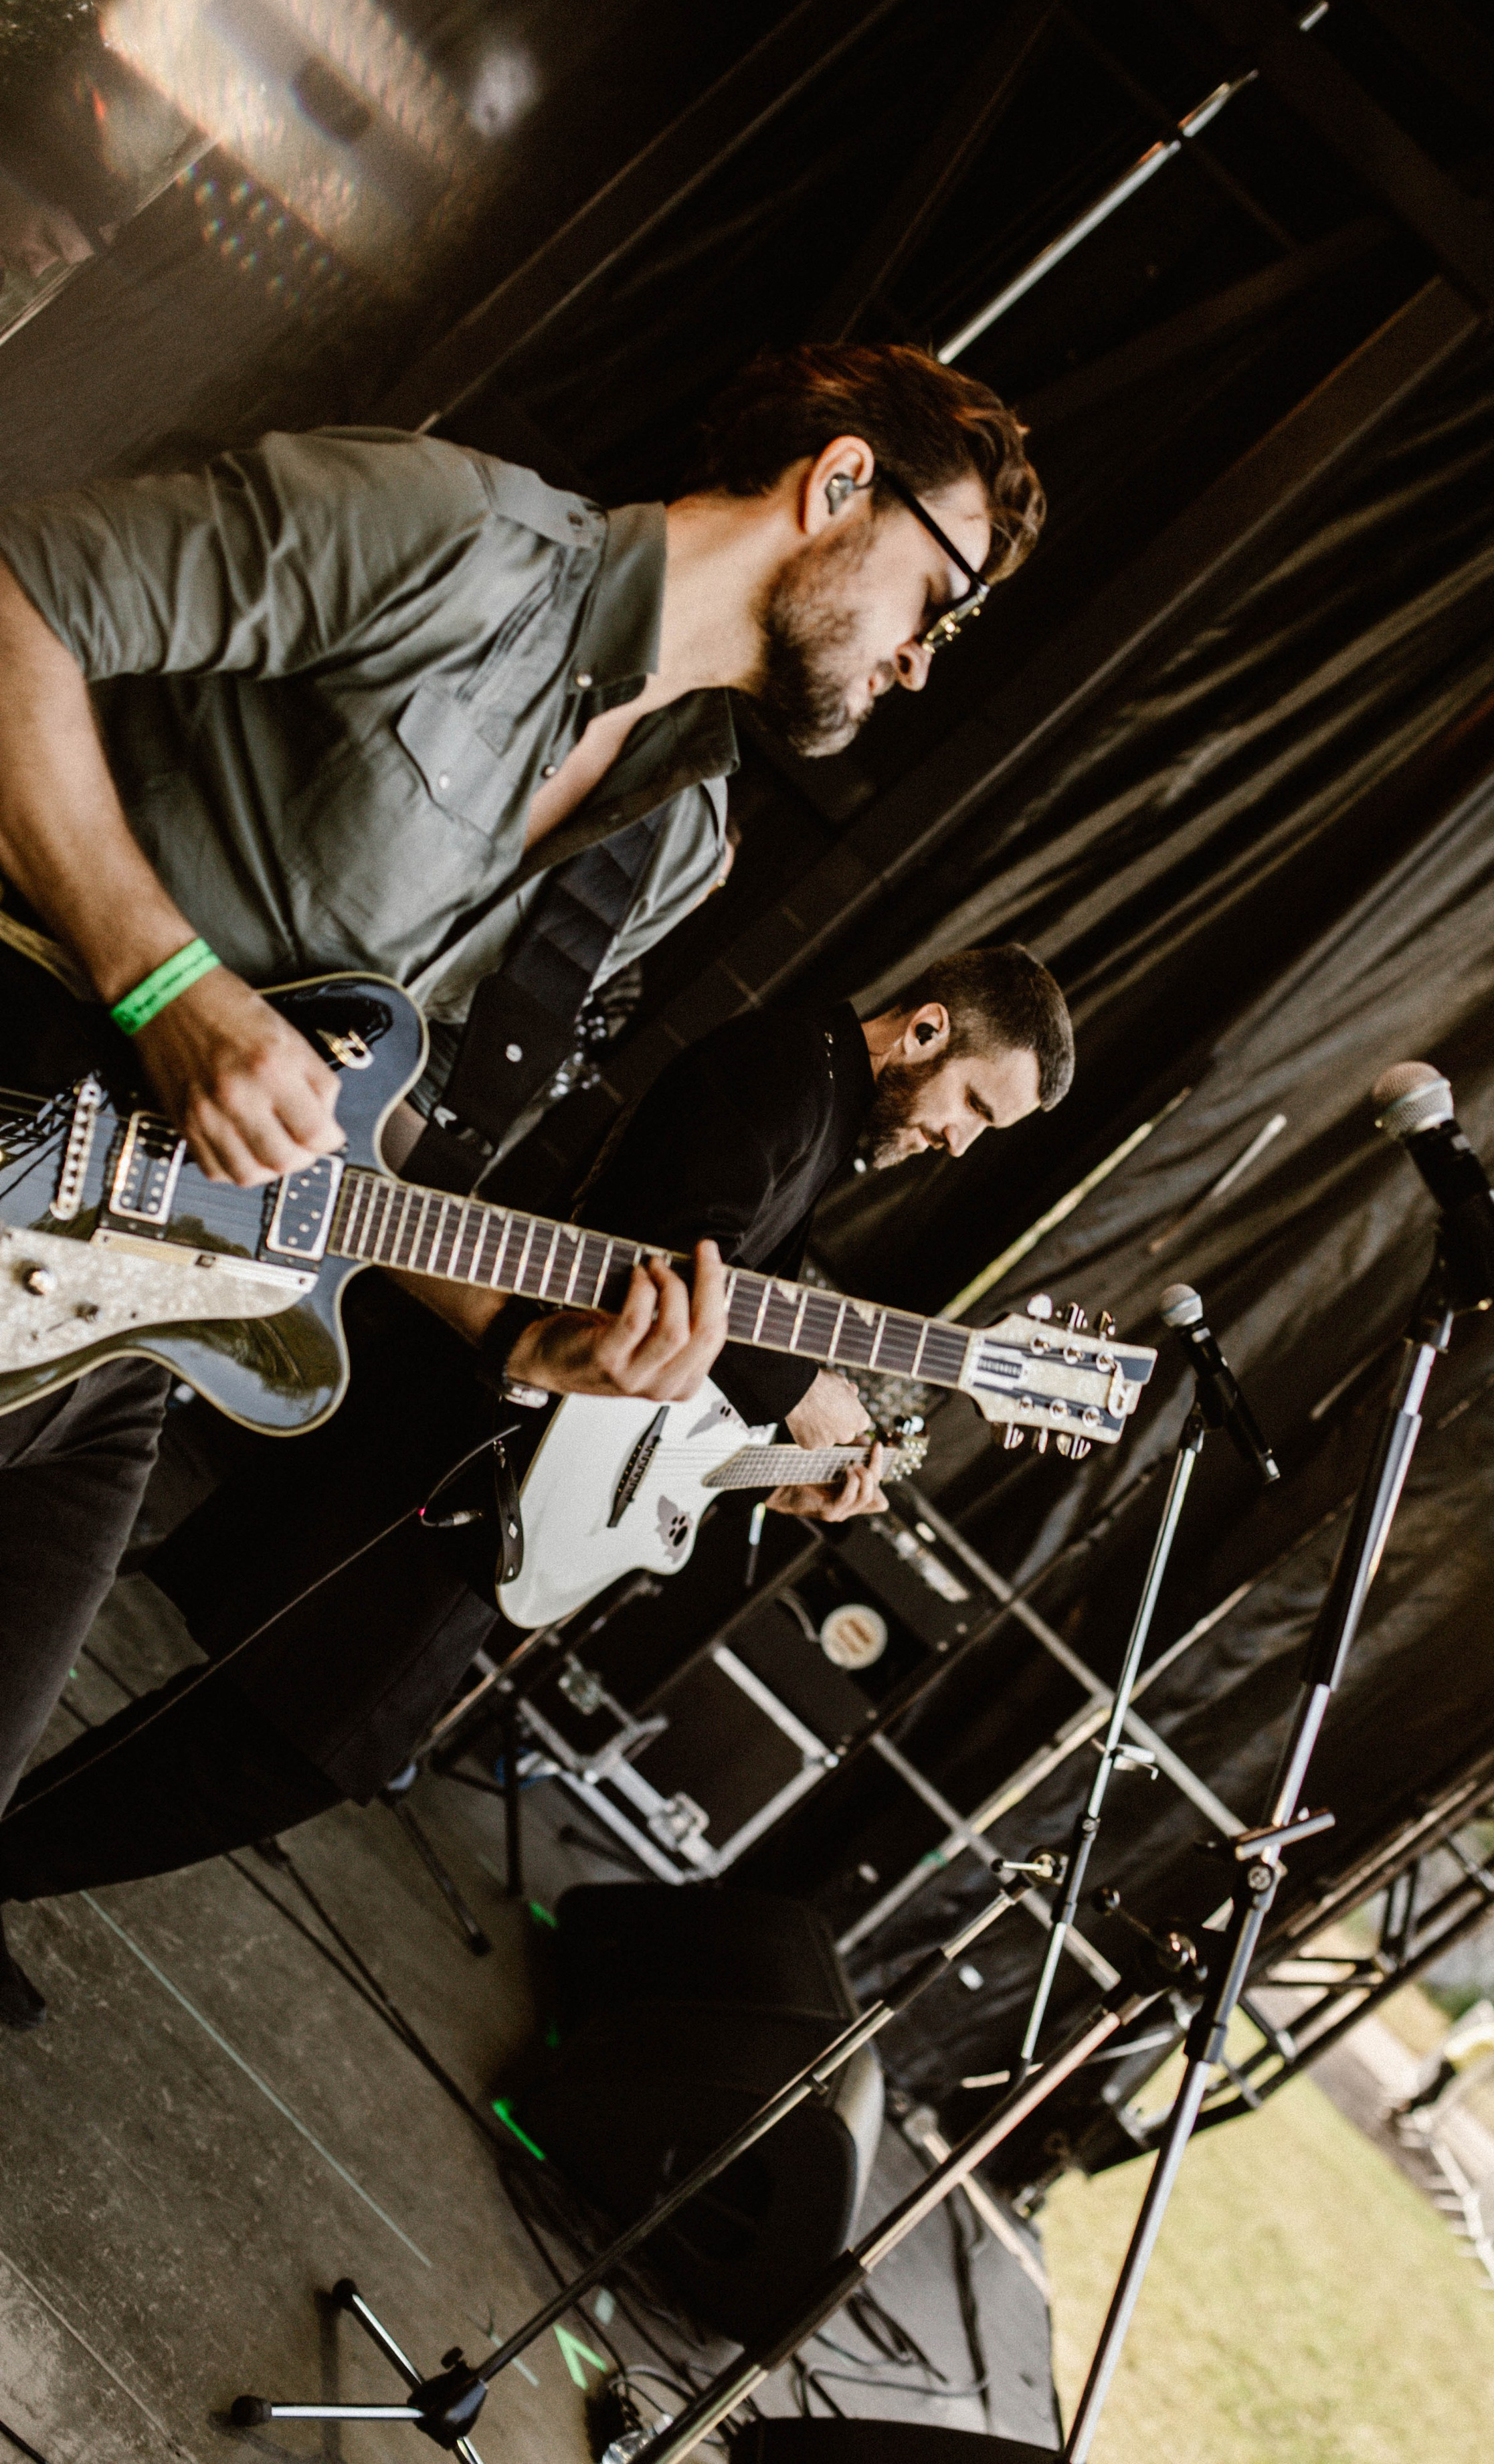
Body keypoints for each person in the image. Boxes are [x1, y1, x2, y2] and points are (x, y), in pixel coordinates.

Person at [0, 340, 1046, 1828]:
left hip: (122, 1318)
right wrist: (162, 978)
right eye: (943, 598)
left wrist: (525, 1336)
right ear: (840, 484)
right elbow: (15, 593)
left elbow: (373, 1115)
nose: (923, 659)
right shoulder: (456, 537)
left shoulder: (676, 848)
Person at [0, 945, 1075, 2027]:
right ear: (927, 1031)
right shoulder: (788, 1069)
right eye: (975, 1105)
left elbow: (675, 1367)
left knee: (276, 1730)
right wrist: (802, 1386)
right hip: (471, 1438)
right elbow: (665, 1263)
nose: (960, 1140)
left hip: (519, 1465)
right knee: (281, 1740)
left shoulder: (824, 1114)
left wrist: (775, 1472)